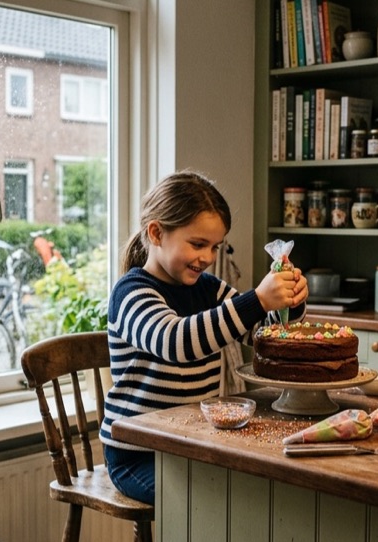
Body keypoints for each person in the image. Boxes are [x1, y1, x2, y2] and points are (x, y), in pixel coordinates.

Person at [101, 171, 308, 504]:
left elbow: (261, 337)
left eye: (215, 247)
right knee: (211, 503)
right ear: (156, 233)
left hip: (193, 444)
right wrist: (256, 300)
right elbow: (176, 343)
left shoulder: (208, 289)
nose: (208, 257)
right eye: (197, 244)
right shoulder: (132, 292)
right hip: (138, 454)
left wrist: (288, 304)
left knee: (252, 489)